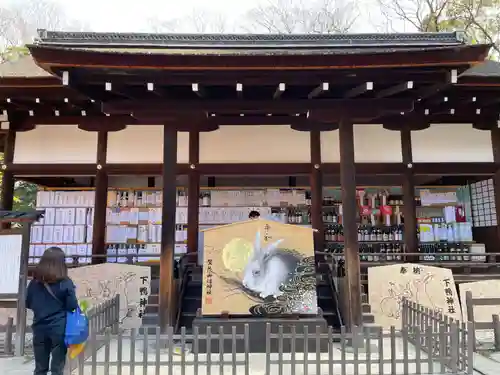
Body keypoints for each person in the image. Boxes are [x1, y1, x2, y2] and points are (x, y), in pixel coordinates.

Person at [26, 247, 79, 375]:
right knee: (57, 368)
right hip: (59, 328)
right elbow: (72, 306)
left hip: (39, 326)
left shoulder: (34, 283)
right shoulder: (65, 282)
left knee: (40, 368)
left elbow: (28, 303)